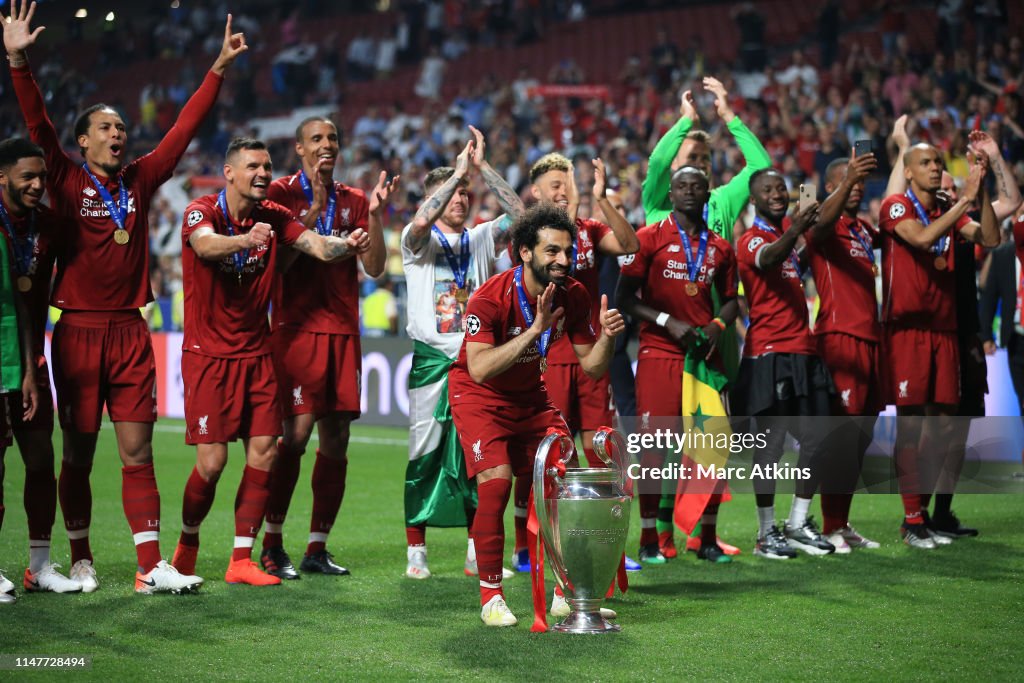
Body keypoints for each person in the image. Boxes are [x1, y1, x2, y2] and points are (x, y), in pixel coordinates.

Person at [3, 0, 246, 593]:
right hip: (80, 331)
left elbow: (182, 132)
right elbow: (38, 125)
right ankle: (80, 555)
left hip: (132, 332)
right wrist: (17, 61)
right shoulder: (62, 178)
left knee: (138, 452)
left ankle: (149, 567)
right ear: (83, 141)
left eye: (121, 127)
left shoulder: (139, 178)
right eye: (106, 128)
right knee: (79, 455)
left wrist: (215, 69)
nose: (119, 134)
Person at [171, 138, 371, 586]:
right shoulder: (201, 210)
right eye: (253, 167)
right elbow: (203, 246)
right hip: (208, 356)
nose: (263, 173)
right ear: (229, 172)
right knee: (213, 464)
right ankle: (186, 545)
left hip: (258, 353)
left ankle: (241, 559)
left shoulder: (275, 216)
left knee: (264, 452)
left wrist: (348, 243)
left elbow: (317, 247)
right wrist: (245, 239)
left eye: (267, 166)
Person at [448, 203, 624, 626]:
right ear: (524, 252)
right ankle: (492, 595)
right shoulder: (489, 297)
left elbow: (593, 366)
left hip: (531, 398)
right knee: (497, 482)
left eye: (567, 251)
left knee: (568, 482)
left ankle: (569, 591)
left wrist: (609, 338)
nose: (563, 260)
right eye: (551, 251)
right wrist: (534, 329)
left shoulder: (575, 294)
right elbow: (480, 368)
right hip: (479, 397)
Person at [258, 116, 396, 580]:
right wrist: (312, 219)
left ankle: (317, 546)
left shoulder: (356, 200)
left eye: (333, 137)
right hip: (296, 330)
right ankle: (273, 544)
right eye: (316, 139)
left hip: (342, 331)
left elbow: (375, 267)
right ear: (299, 148)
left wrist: (375, 217)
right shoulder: (278, 196)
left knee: (337, 438)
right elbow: (275, 267)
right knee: (293, 438)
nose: (326, 145)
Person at [642, 77, 770, 558]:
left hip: (717, 338)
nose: (696, 165)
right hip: (668, 340)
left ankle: (706, 534)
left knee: (713, 439)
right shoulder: (658, 205)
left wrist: (730, 116)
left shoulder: (722, 202)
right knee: (665, 440)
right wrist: (686, 124)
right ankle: (660, 533)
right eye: (689, 159)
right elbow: (656, 163)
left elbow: (760, 166)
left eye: (703, 160)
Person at [403, 127, 522, 580]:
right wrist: (454, 175)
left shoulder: (482, 238)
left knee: (481, 455)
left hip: (478, 361)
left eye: (464, 192)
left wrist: (481, 168)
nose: (459, 198)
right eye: (450, 193)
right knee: (425, 454)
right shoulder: (416, 245)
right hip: (432, 359)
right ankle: (417, 548)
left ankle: (476, 551)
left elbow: (522, 214)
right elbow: (418, 223)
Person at [509, 151, 638, 572]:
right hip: (549, 357)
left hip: (591, 355)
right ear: (537, 192)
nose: (562, 190)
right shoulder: (535, 240)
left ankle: (608, 548)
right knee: (546, 455)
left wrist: (601, 199)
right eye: (554, 184)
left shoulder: (590, 230)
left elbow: (631, 246)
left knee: (599, 448)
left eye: (567, 182)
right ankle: (526, 545)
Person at [879, 141, 999, 547]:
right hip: (908, 331)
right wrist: (963, 200)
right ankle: (912, 520)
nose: (934, 168)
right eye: (925, 163)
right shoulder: (897, 207)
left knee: (945, 427)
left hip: (944, 331)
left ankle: (925, 513)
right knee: (911, 425)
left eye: (937, 162)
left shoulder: (943, 210)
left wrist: (979, 194)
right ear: (908, 171)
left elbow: (989, 237)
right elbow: (924, 240)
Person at [617, 166, 739, 564]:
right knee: (654, 448)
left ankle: (706, 538)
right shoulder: (648, 238)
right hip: (659, 353)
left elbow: (732, 299)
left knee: (712, 447)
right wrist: (668, 321)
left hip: (704, 357)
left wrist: (719, 325)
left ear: (707, 194)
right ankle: (650, 539)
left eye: (697, 186)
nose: (689, 192)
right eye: (681, 186)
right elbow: (624, 297)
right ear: (670, 194)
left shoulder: (720, 247)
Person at [733, 169, 836, 559]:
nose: (776, 194)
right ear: (754, 200)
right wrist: (795, 227)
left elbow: (801, 244)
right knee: (772, 445)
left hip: (803, 352)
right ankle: (765, 533)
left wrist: (811, 194)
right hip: (770, 353)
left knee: (817, 438)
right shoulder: (752, 239)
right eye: (767, 190)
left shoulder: (790, 244)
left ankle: (796, 523)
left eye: (781, 188)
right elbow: (769, 258)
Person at [804, 151, 883, 552]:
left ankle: (840, 521)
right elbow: (814, 227)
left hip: (872, 339)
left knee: (860, 439)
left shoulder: (864, 230)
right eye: (844, 182)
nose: (855, 187)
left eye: (859, 181)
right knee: (840, 436)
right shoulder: (823, 223)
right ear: (829, 187)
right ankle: (823, 523)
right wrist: (847, 179)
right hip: (839, 336)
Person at [0, 137, 45, 602]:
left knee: (40, 459)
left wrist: (32, 366)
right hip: (5, 352)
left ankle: (39, 564)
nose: (37, 185)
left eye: (42, 177)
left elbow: (22, 302)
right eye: (27, 176)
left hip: (25, 355)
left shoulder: (42, 224)